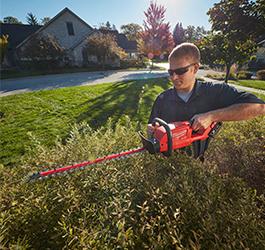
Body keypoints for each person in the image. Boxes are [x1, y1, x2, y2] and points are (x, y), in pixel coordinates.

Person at [148, 42, 265, 158]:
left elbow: (259, 107)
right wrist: (153, 132)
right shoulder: (162, 99)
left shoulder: (215, 91)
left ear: (195, 68)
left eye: (180, 71)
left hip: (210, 168)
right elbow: (153, 134)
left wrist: (212, 116)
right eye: (171, 72)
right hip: (172, 169)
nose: (174, 77)